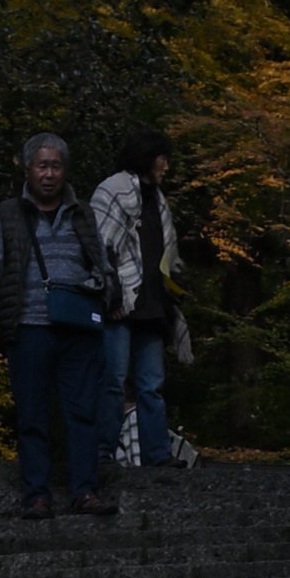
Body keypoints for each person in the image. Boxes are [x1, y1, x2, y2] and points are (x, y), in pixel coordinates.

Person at [0, 132, 119, 516]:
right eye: (42, 165)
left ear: (65, 171)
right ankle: (36, 494)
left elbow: (103, 265)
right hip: (28, 325)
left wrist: (102, 290)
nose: (49, 174)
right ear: (28, 169)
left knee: (83, 411)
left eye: (56, 166)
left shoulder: (83, 214)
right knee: (31, 413)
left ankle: (84, 490)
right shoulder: (8, 215)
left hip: (78, 329)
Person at [91, 137, 195, 477]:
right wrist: (113, 293)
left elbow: (167, 253)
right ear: (148, 158)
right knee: (113, 380)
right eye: (162, 158)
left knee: (151, 385)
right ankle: (102, 452)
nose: (166, 166)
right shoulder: (114, 190)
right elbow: (100, 244)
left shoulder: (158, 200)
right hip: (120, 303)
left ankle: (157, 454)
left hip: (152, 306)